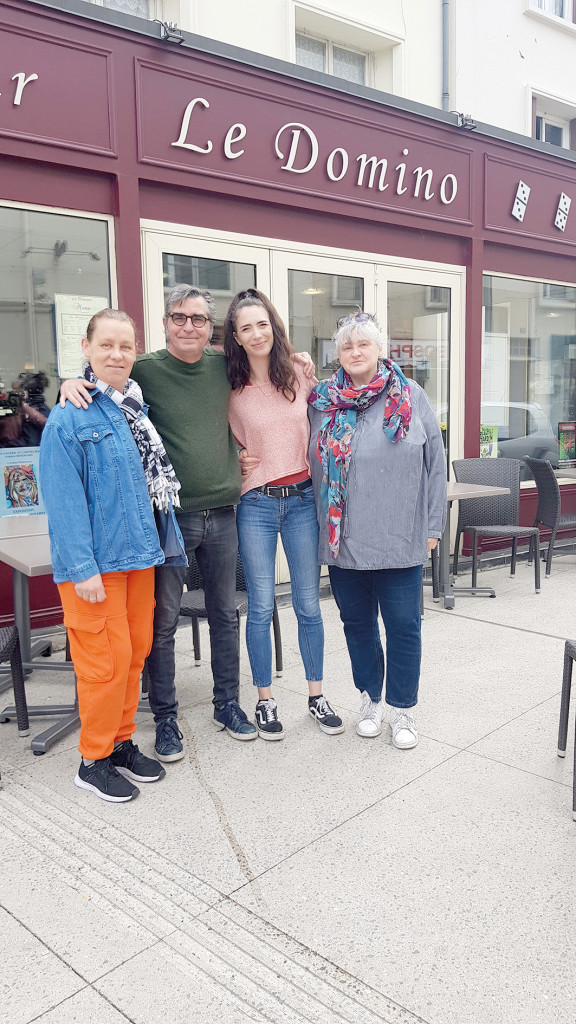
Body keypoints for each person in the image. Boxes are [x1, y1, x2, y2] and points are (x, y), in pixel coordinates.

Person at [40, 309, 185, 802]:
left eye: (126, 346)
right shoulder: (68, 416)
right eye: (106, 345)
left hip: (139, 556)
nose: (117, 354)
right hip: (95, 566)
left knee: (133, 654)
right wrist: (81, 569)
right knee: (103, 663)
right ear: (86, 348)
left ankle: (120, 742)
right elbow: (62, 500)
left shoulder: (131, 408)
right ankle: (92, 758)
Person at [308, 313, 447, 746]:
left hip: (400, 534)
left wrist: (433, 526)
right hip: (344, 539)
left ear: (380, 349)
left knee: (404, 625)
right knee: (357, 624)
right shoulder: (321, 401)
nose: (354, 352)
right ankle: (371, 698)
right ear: (338, 354)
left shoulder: (410, 396)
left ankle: (402, 710)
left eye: (363, 344)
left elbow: (435, 465)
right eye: (347, 346)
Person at [224, 289, 343, 740]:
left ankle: (316, 695)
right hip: (256, 503)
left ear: (274, 325)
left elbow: (326, 422)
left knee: (309, 606)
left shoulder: (299, 372)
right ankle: (265, 701)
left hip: (301, 502)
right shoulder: (229, 387)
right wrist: (232, 456)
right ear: (235, 337)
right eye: (245, 327)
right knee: (259, 607)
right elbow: (213, 436)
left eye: (262, 323)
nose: (257, 334)